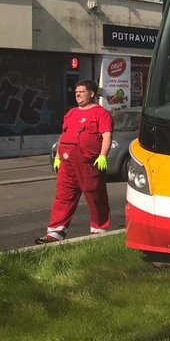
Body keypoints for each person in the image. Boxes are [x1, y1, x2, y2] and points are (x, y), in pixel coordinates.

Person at [35, 80, 114, 244]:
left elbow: (107, 135)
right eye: (76, 92)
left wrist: (103, 155)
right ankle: (54, 234)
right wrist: (57, 156)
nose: (77, 94)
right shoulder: (70, 113)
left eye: (81, 92)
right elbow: (63, 136)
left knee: (95, 198)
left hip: (89, 165)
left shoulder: (101, 113)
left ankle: (99, 232)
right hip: (67, 165)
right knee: (63, 198)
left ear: (91, 94)